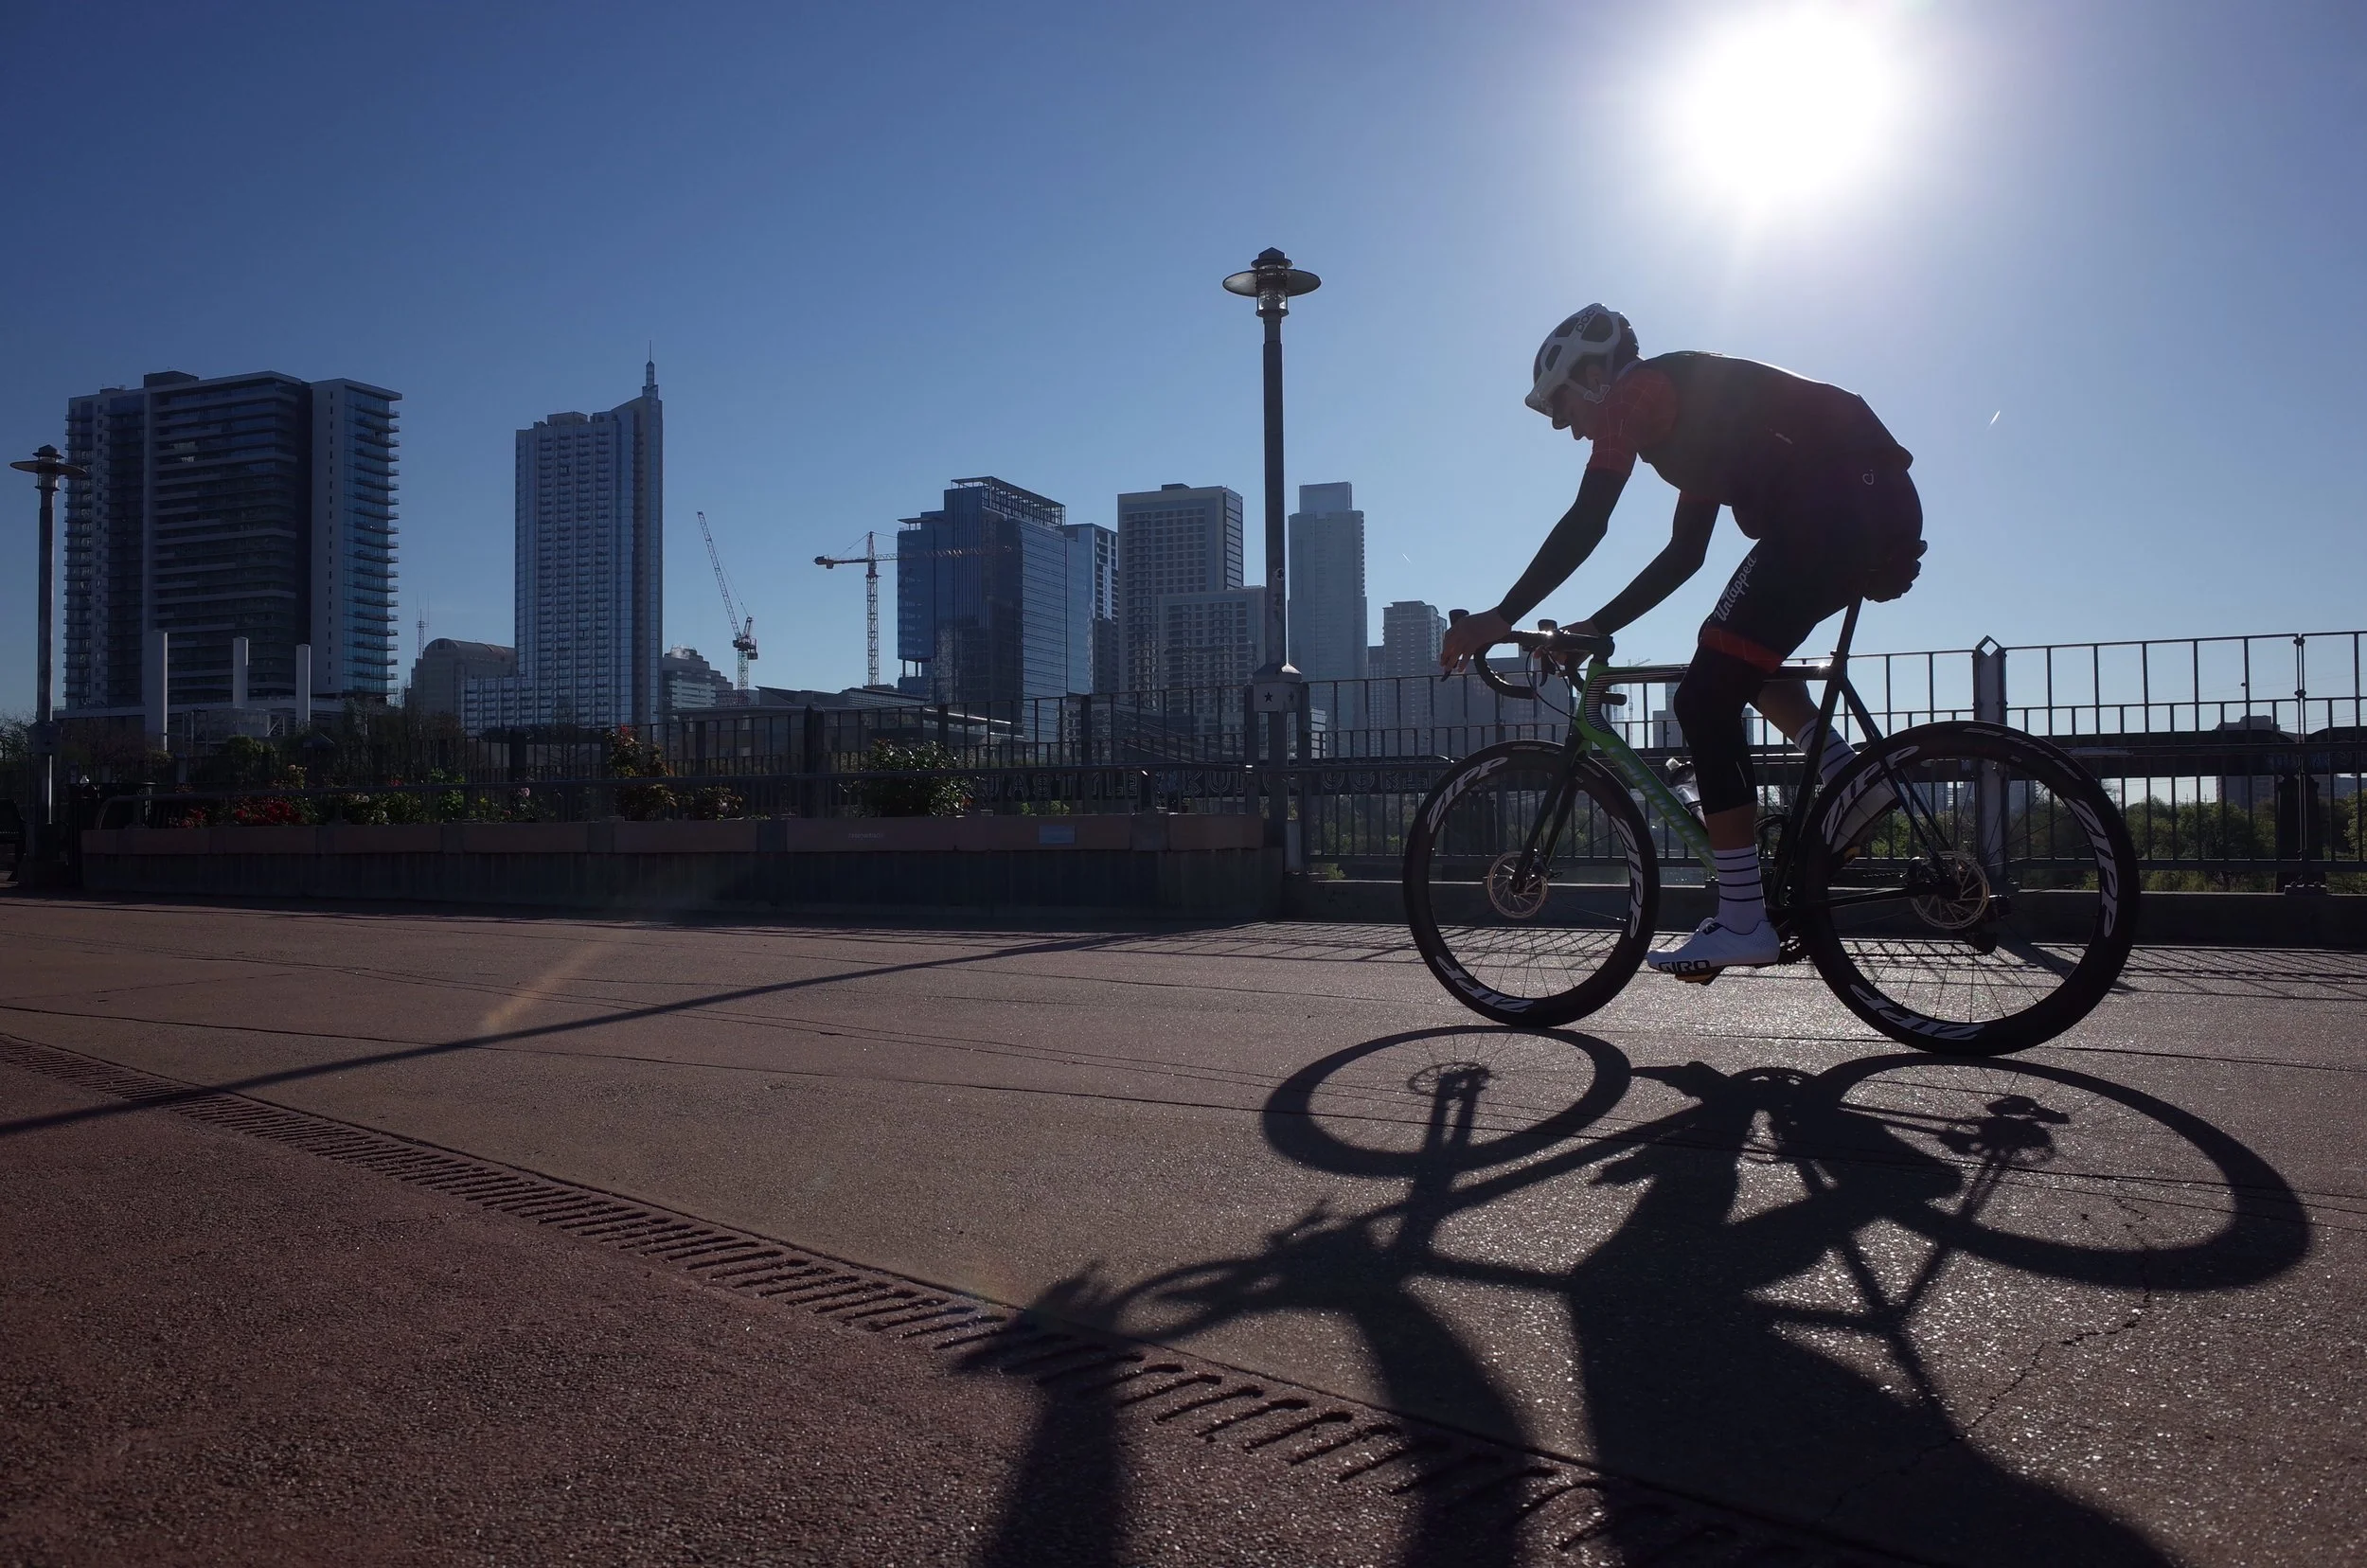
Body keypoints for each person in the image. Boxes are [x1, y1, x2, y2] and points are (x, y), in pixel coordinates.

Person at [1440, 305, 1925, 975]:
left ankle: (1742, 918)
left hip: (1837, 506)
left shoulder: (1634, 392)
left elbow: (1589, 517)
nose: (1563, 425)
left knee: (1702, 700)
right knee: (1733, 658)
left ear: (1592, 373)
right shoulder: (1688, 413)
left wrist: (1499, 615)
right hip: (1864, 501)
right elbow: (1683, 555)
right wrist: (1596, 627)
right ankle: (1848, 776)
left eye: (1561, 405)